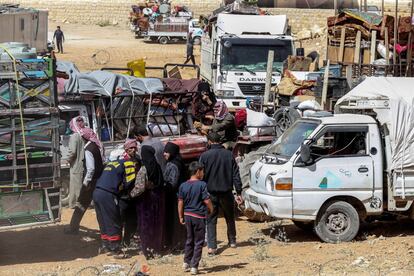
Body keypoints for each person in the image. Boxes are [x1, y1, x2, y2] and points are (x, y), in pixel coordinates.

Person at [199, 132, 243, 256]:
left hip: (210, 193)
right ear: (220, 141)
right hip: (226, 192)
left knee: (211, 219)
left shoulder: (204, 156)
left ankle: (212, 247)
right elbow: (236, 174)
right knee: (230, 217)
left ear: (209, 142)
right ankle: (233, 241)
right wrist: (239, 191)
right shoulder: (229, 155)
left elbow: (200, 175)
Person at [93, 151, 138, 258]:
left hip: (97, 192)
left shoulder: (112, 163)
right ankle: (115, 249)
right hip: (108, 194)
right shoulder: (128, 163)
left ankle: (106, 245)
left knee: (103, 220)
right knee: (113, 220)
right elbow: (130, 182)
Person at [64, 127, 104, 234]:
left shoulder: (88, 150)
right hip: (99, 181)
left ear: (83, 138)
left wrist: (86, 183)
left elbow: (90, 169)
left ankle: (73, 228)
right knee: (100, 208)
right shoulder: (96, 146)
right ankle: (105, 232)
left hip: (91, 183)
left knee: (81, 205)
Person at [178, 162, 213, 275]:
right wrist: (211, 209)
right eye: (202, 171)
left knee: (189, 240)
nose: (203, 173)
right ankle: (194, 266)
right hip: (199, 216)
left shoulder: (183, 185)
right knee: (199, 242)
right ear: (198, 171)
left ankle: (186, 262)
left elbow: (180, 202)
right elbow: (207, 200)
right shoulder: (202, 184)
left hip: (187, 216)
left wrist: (180, 216)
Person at [136, 145, 166, 259]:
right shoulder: (157, 166)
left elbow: (139, 187)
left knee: (146, 224)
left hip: (146, 200)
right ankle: (156, 249)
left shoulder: (143, 169)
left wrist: (130, 195)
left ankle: (146, 249)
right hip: (158, 198)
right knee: (157, 224)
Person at [163, 142, 186, 251]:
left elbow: (172, 183)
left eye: (167, 152)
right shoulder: (179, 162)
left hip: (174, 197)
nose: (164, 154)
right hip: (180, 195)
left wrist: (163, 187)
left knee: (175, 220)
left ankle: (177, 243)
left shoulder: (173, 165)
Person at [67, 116, 86, 208]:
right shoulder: (84, 134)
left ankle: (80, 204)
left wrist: (68, 159)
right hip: (81, 164)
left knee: (77, 186)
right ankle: (73, 204)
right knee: (74, 185)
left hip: (76, 165)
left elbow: (73, 152)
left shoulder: (75, 136)